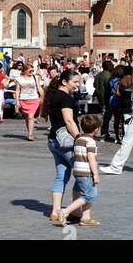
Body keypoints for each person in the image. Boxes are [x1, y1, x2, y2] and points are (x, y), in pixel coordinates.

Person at [42, 69, 81, 222]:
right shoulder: (65, 98)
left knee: (61, 176)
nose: (77, 85)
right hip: (66, 142)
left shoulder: (53, 95)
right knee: (82, 173)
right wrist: (79, 138)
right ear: (64, 82)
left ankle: (55, 211)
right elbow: (69, 121)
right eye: (75, 82)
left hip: (53, 140)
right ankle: (75, 210)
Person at [60, 114, 102, 227]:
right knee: (88, 195)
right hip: (86, 172)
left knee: (84, 193)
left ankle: (86, 218)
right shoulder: (91, 142)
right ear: (96, 129)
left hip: (78, 171)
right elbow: (91, 159)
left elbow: (74, 155)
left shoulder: (78, 139)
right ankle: (66, 211)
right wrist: (96, 174)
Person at [13, 61, 44, 141]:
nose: (31, 72)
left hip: (34, 99)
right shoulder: (19, 79)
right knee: (27, 117)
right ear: (25, 70)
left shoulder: (35, 77)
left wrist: (42, 96)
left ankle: (30, 133)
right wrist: (17, 102)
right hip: (23, 99)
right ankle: (29, 130)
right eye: (30, 71)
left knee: (31, 116)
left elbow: (39, 87)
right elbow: (17, 91)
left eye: (32, 71)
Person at [94, 58, 113, 140]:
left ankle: (104, 132)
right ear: (109, 67)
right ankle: (104, 133)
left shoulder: (98, 75)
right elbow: (109, 88)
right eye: (112, 65)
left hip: (100, 98)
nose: (113, 67)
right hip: (107, 98)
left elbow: (94, 85)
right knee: (106, 117)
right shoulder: (109, 76)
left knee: (104, 116)